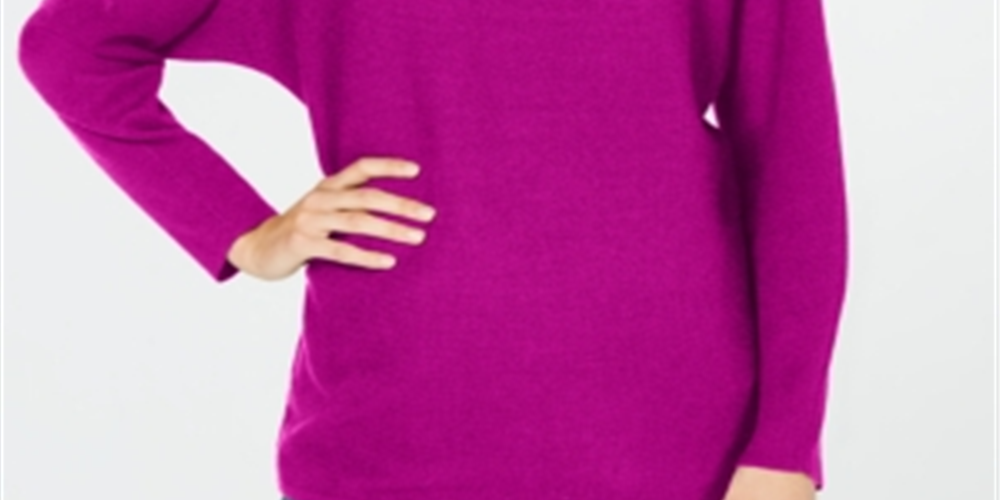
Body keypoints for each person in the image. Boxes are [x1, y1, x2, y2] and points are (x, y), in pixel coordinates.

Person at [17, 0, 850, 498]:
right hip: (397, 437)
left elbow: (795, 172)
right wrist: (243, 231)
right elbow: (72, 46)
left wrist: (784, 447)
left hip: (673, 443)